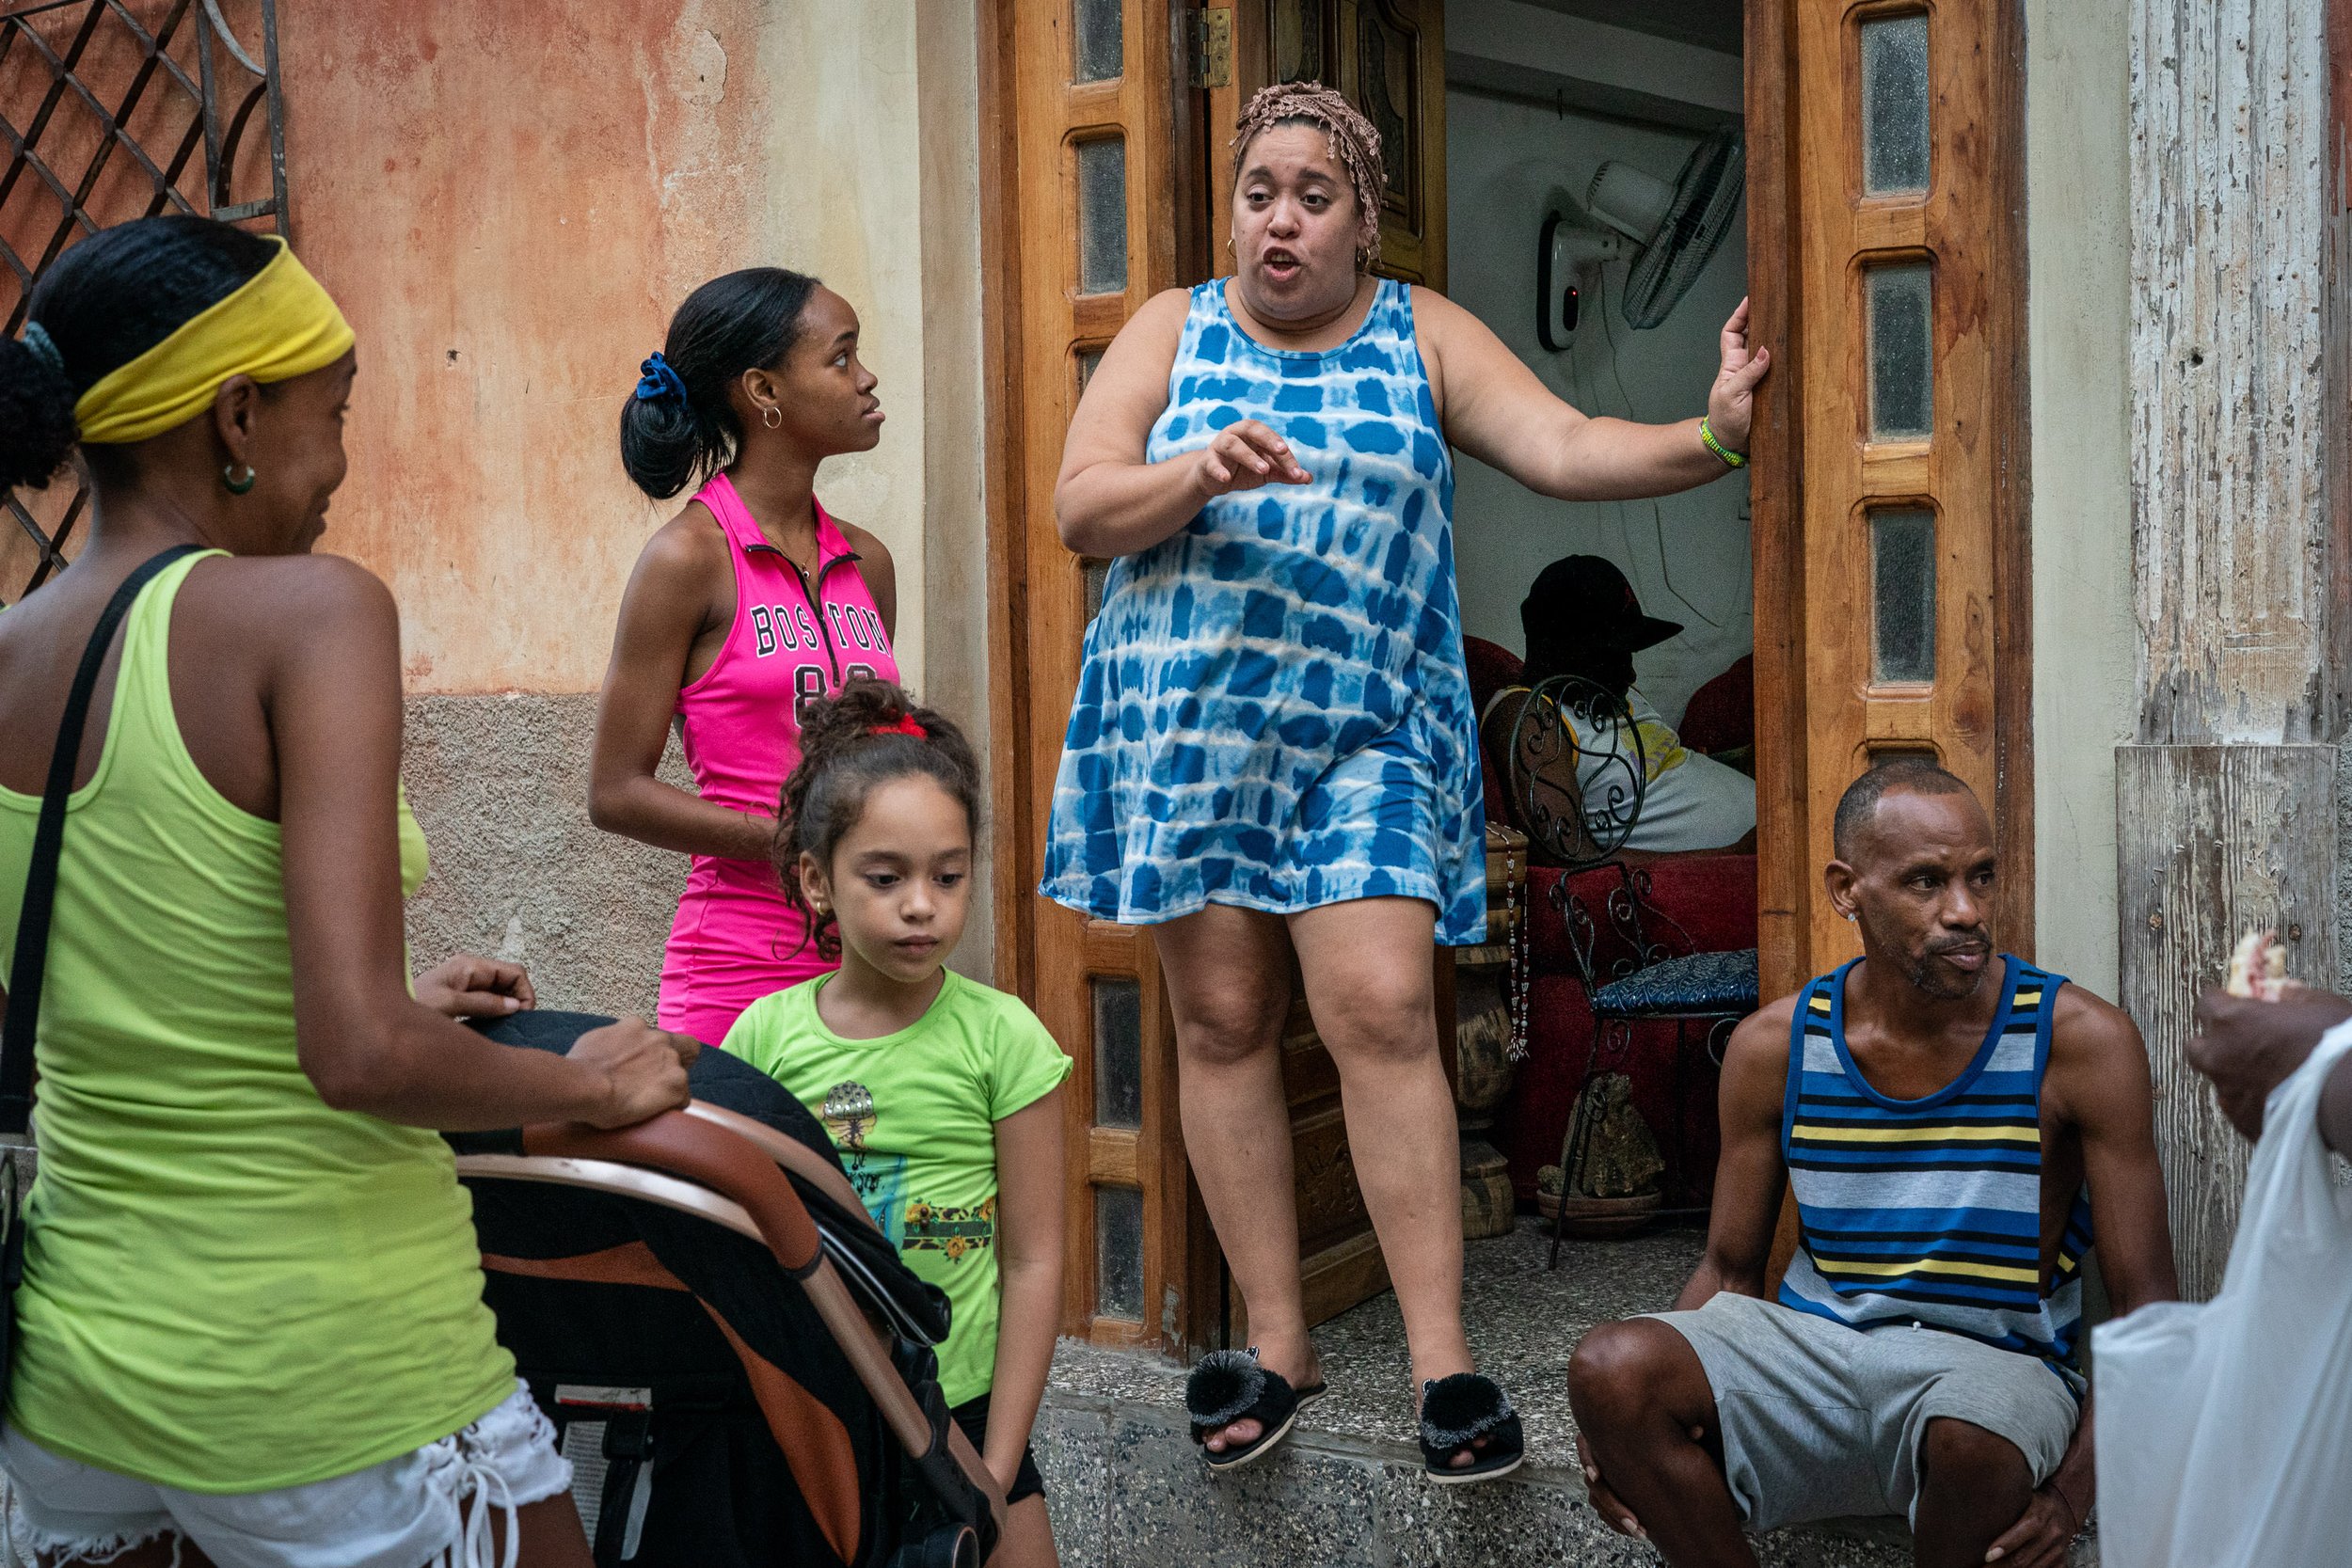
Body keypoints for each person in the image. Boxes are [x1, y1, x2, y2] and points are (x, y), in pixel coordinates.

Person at [1038, 80, 1769, 1481]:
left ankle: (1445, 1360)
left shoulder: (1419, 331)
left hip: (1365, 730)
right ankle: (1276, 1336)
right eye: (1261, 192)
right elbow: (1082, 504)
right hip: (1189, 730)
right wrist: (1192, 472)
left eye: (1315, 195)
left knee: (1379, 1006)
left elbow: (1560, 445)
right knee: (1225, 1012)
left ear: (1365, 217)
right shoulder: (1171, 330)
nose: (1282, 220)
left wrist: (1714, 433)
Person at [0, 215, 697, 1568]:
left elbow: (111, 980)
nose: (340, 459)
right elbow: (359, 1051)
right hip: (324, 1357)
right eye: (338, 411)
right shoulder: (308, 611)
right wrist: (588, 1085)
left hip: (77, 1365)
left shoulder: (7, 653)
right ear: (239, 412)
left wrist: (384, 998)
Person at [1565, 759, 2179, 1568]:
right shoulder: (1775, 1047)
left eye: (1981, 877)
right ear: (1845, 888)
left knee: (1973, 1439)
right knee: (1610, 1368)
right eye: (1926, 881)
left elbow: (2148, 1308)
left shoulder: (2078, 1041)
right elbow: (1728, 1269)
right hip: (1818, 1352)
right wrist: (1620, 1435)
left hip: (1992, 1369)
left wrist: (2074, 1491)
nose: (1966, 911)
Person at [722, 681, 1068, 1568]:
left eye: (948, 877)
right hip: (822, 1404)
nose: (922, 904)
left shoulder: (1005, 1037)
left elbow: (1033, 1259)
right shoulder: (763, 1037)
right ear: (815, 879)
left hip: (968, 1407)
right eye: (886, 878)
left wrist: (992, 1464)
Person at [591, 268, 900, 1048]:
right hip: (738, 968)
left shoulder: (868, 562)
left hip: (873, 962)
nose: (866, 379)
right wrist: (797, 841)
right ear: (765, 389)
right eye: (841, 358)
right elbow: (615, 791)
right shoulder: (686, 560)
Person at [1487, 553, 1756, 856]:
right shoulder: (1531, 715)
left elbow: (1663, 775)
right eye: (1613, 657)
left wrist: (1739, 761)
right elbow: (1569, 856)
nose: (1630, 673)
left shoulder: (1609, 693)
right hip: (1725, 871)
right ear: (1564, 650)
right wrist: (1732, 855)